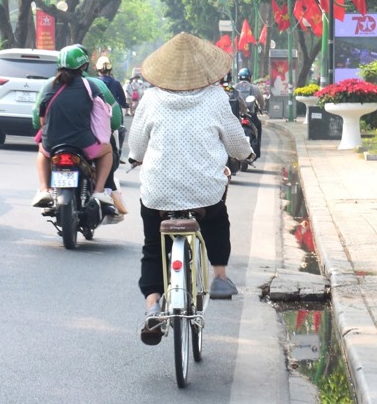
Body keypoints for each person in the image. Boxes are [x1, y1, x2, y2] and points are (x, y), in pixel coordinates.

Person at [127, 33, 253, 345]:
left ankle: (153, 306)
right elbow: (236, 141)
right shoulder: (215, 98)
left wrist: (135, 158)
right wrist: (246, 154)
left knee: (153, 248)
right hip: (205, 195)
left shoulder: (151, 99)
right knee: (217, 219)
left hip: (157, 196)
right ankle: (220, 276)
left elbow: (137, 145)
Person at [30, 45, 123, 211]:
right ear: (84, 66)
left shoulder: (48, 87)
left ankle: (44, 189)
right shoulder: (91, 86)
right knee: (108, 150)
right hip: (83, 144)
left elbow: (40, 121)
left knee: (41, 151)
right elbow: (107, 117)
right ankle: (99, 191)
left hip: (52, 144)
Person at [234, 67, 264, 158]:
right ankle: (257, 146)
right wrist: (262, 109)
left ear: (239, 77)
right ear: (250, 77)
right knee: (258, 125)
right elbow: (261, 101)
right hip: (251, 115)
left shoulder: (235, 87)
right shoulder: (255, 88)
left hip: (237, 115)